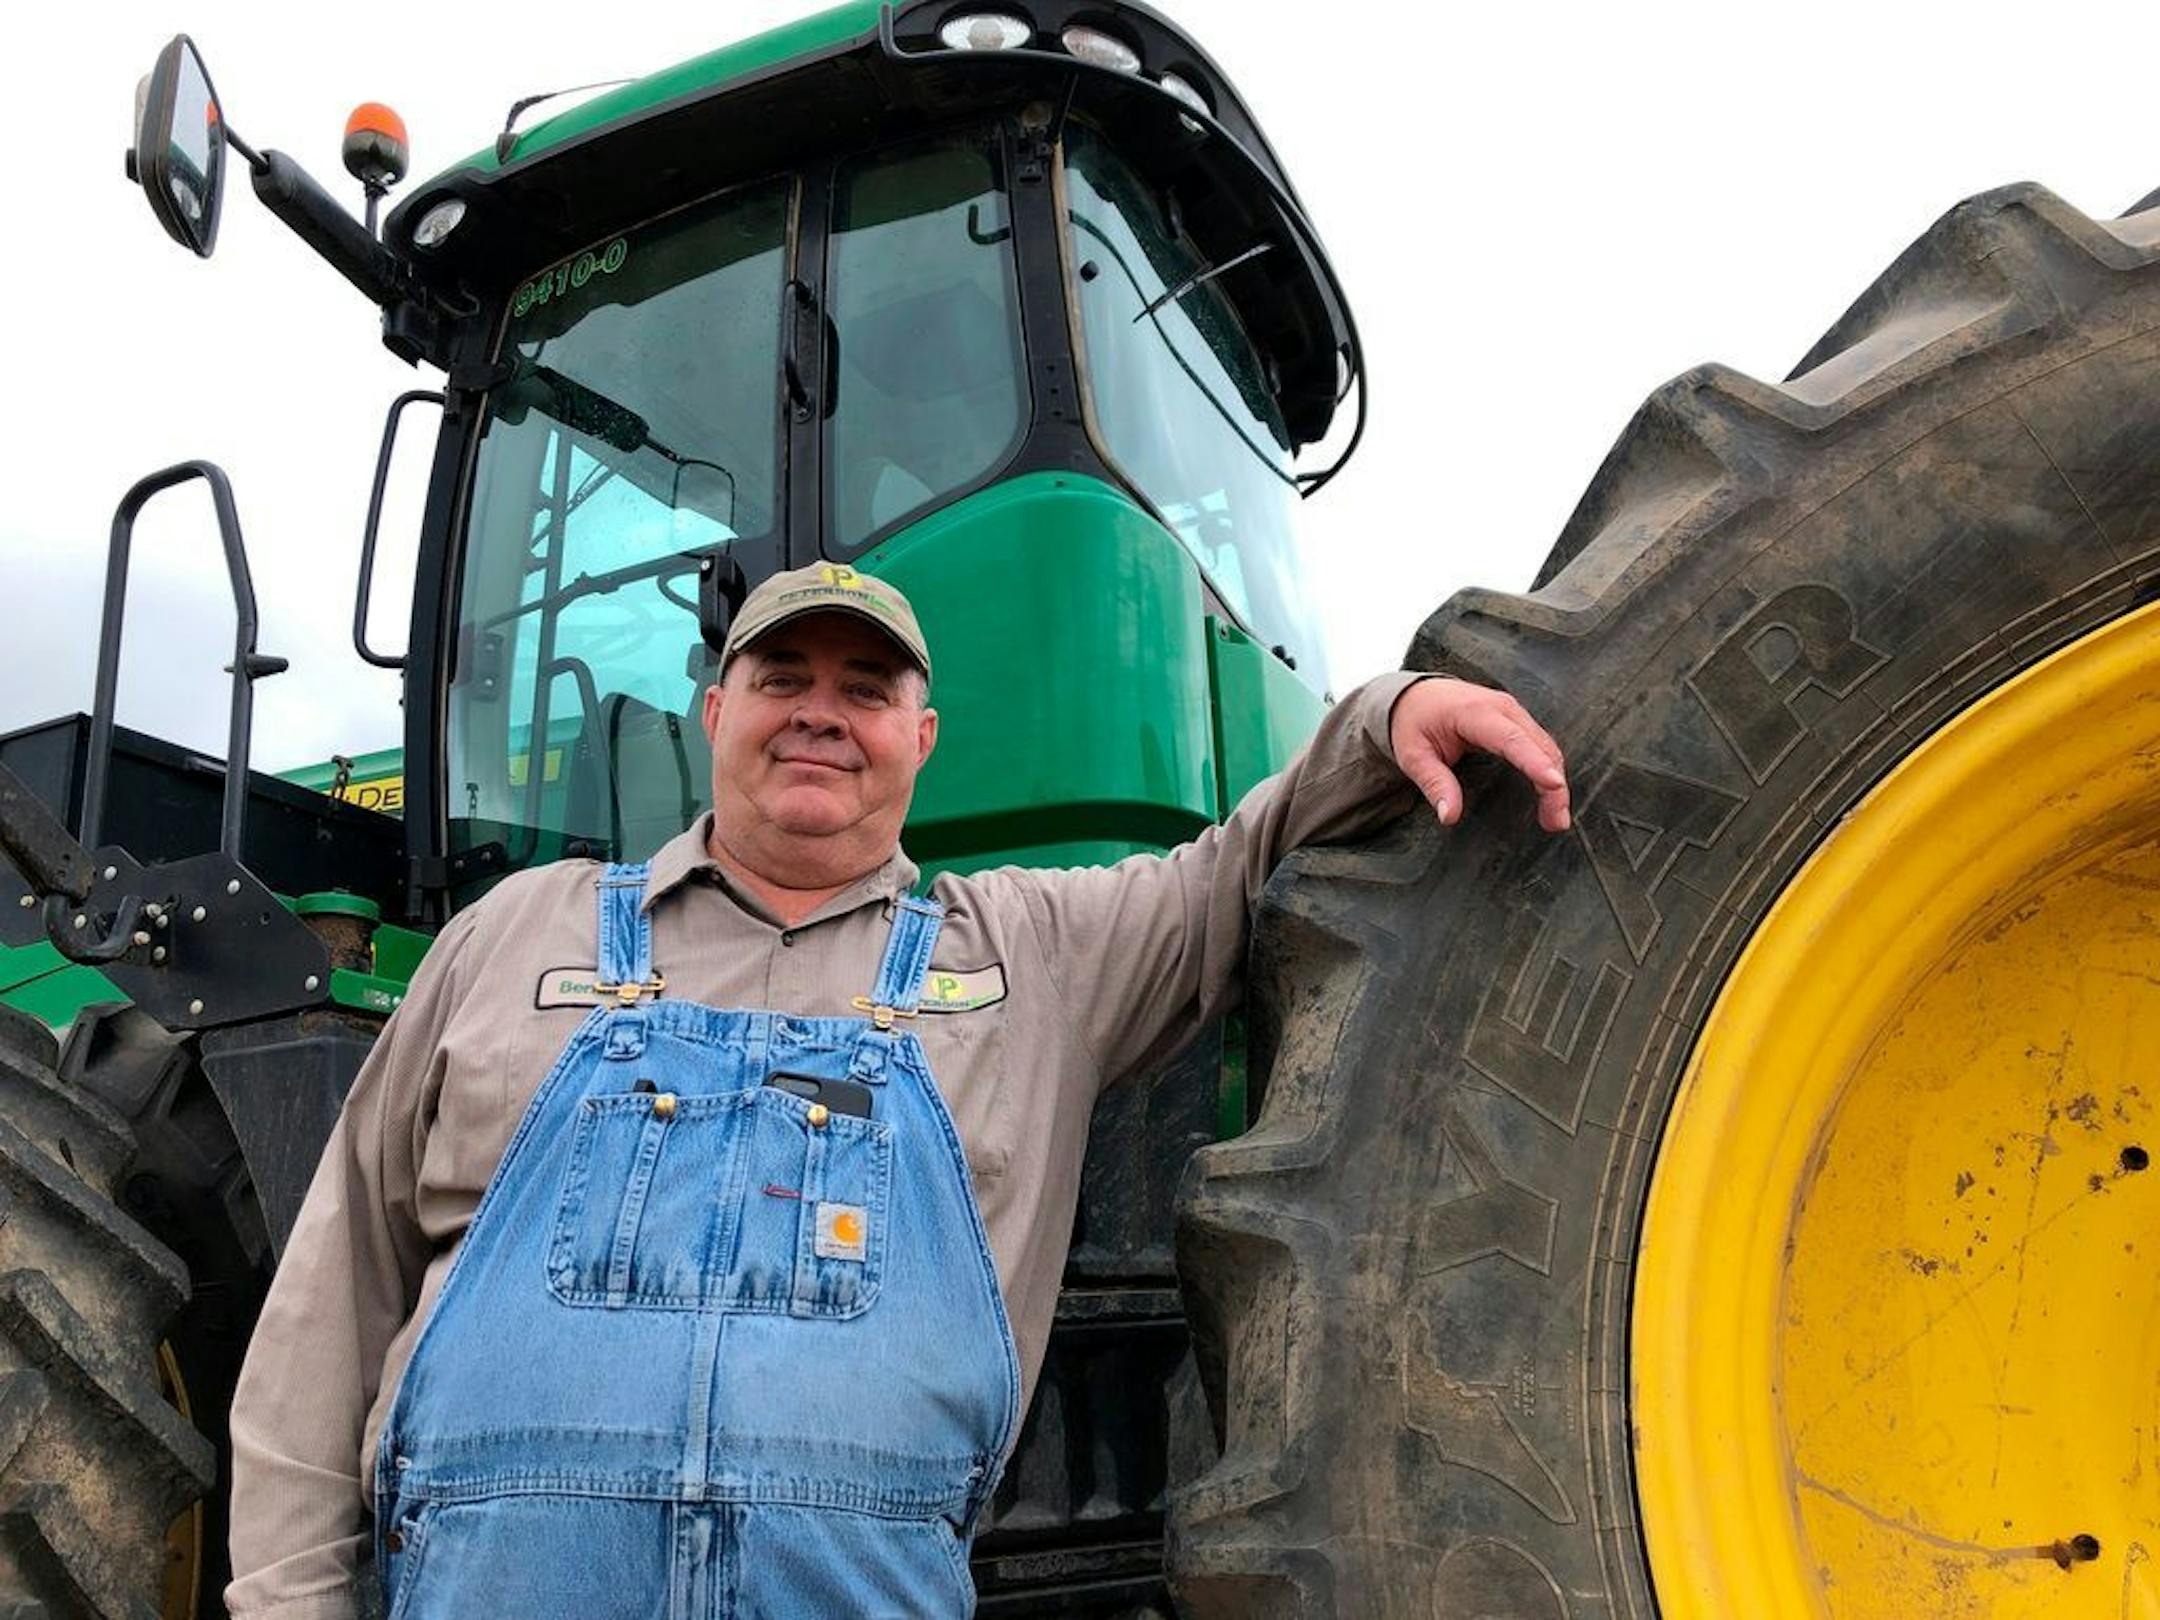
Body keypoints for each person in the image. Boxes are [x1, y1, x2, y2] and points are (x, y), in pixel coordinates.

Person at [223, 562, 1571, 1619]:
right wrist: (286, 1603)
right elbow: (330, 1301)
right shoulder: (522, 931)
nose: (821, 709)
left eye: (865, 689)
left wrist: (1389, 714)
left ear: (920, 736)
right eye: (782, 674)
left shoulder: (1029, 951)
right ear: (717, 710)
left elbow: (1243, 860)